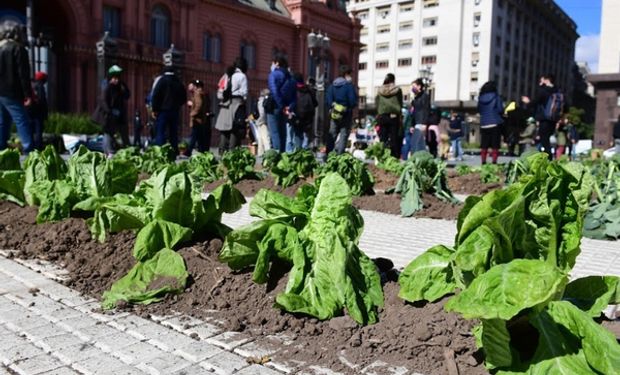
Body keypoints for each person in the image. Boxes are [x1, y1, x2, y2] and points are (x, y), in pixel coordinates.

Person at [0, 20, 33, 153]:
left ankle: (1, 148)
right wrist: (27, 95)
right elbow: (22, 74)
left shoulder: (1, 48)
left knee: (2, 121)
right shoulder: (18, 49)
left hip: (0, 92)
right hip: (12, 91)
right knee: (21, 119)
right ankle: (28, 148)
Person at [95, 65, 130, 156]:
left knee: (123, 132)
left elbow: (127, 95)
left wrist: (123, 85)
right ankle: (109, 152)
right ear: (111, 77)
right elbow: (103, 101)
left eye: (118, 77)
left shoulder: (120, 86)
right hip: (109, 115)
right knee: (108, 133)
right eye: (115, 78)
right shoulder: (106, 86)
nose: (117, 80)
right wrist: (109, 111)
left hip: (119, 115)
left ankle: (127, 149)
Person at [522, 73, 559, 160]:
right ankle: (547, 158)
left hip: (544, 119)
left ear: (547, 80)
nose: (540, 81)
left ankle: (548, 160)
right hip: (553, 120)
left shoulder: (544, 91)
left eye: (542, 80)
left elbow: (534, 103)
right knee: (546, 139)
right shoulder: (558, 91)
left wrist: (527, 102)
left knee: (544, 140)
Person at [151, 66, 187, 155]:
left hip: (163, 110)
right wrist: (178, 105)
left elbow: (155, 95)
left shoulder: (162, 80)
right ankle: (174, 150)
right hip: (174, 110)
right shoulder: (178, 81)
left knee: (161, 131)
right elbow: (184, 97)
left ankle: (160, 150)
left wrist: (155, 109)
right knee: (173, 132)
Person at [215, 58, 248, 154]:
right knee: (235, 129)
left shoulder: (226, 75)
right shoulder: (242, 76)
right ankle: (232, 152)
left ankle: (221, 151)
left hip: (225, 104)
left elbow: (220, 91)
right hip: (236, 103)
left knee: (224, 129)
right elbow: (244, 93)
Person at [266, 55, 296, 152]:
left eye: (272, 63)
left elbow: (274, 91)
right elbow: (294, 96)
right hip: (285, 108)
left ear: (277, 63)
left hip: (274, 106)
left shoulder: (273, 75)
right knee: (283, 133)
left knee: (274, 132)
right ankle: (283, 156)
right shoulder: (291, 78)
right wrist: (289, 107)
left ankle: (276, 156)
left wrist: (281, 105)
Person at [326, 65, 358, 154]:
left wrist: (333, 106)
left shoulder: (332, 85)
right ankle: (339, 156)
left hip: (334, 114)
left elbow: (328, 99)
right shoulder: (348, 86)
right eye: (350, 74)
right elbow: (353, 101)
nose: (351, 76)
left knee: (332, 134)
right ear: (346, 74)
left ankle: (328, 155)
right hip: (346, 114)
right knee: (343, 135)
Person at [374, 73, 403, 158]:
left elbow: (377, 102)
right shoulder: (397, 90)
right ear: (393, 80)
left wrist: (379, 111)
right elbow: (400, 103)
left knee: (383, 138)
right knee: (394, 138)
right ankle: (393, 157)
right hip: (394, 116)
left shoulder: (380, 90)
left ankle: (382, 156)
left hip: (382, 116)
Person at [402, 78, 430, 160]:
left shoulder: (425, 96)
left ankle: (419, 160)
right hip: (416, 123)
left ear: (419, 86)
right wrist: (412, 125)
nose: (412, 88)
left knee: (418, 143)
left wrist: (425, 123)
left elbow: (426, 110)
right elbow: (413, 113)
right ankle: (418, 160)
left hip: (421, 122)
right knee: (417, 143)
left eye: (414, 86)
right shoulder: (415, 98)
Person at [477, 81, 504, 164]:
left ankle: (483, 162)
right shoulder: (496, 97)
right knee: (495, 145)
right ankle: (494, 162)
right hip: (495, 122)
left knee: (484, 145)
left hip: (484, 123)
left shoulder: (480, 98)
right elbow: (500, 109)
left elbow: (479, 110)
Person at [290, 73, 317, 151]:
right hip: (308, 117)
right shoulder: (309, 90)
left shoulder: (294, 90)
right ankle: (305, 151)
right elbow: (315, 103)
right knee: (306, 135)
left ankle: (298, 152)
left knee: (297, 135)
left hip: (297, 116)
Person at [187, 80, 211, 155]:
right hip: (202, 118)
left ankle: (189, 150)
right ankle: (202, 150)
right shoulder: (203, 93)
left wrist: (192, 113)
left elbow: (199, 105)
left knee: (194, 135)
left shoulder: (197, 93)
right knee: (199, 136)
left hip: (197, 119)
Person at [29, 71, 48, 151]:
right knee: (38, 131)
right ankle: (38, 147)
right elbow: (42, 100)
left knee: (31, 130)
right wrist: (45, 113)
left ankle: (31, 145)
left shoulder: (32, 85)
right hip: (39, 113)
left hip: (31, 112)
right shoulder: (40, 87)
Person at [254, 88, 272, 156]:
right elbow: (262, 113)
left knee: (261, 138)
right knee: (266, 138)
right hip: (263, 122)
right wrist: (263, 121)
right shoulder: (262, 102)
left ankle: (260, 153)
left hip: (259, 122)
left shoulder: (259, 101)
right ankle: (268, 153)